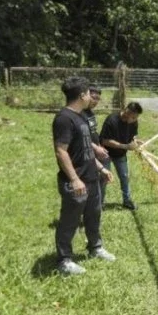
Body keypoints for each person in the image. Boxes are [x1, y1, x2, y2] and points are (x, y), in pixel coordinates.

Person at [52, 76, 115, 276]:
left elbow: (86, 150)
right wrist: (74, 179)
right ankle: (64, 260)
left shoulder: (81, 116)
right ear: (81, 95)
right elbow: (61, 151)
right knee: (69, 220)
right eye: (89, 93)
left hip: (91, 178)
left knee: (93, 215)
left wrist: (101, 169)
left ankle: (95, 248)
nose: (92, 96)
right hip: (76, 181)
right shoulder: (64, 118)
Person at [100, 101, 143, 210]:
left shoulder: (133, 122)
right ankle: (99, 203)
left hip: (120, 155)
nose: (134, 120)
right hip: (106, 153)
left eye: (136, 117)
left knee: (124, 177)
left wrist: (135, 142)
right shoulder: (112, 120)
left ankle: (127, 201)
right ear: (127, 112)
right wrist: (125, 146)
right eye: (133, 117)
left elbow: (133, 136)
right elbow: (104, 140)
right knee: (104, 178)